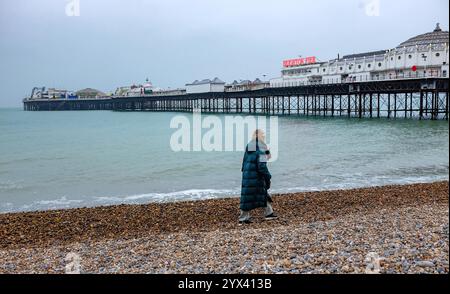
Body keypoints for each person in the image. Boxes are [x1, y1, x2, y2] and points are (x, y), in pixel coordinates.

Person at [239, 129, 277, 224]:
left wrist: (245, 172)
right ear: (261, 136)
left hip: (247, 175)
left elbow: (244, 161)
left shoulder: (250, 145)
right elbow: (262, 165)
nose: (264, 136)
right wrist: (268, 175)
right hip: (257, 175)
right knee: (261, 193)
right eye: (263, 135)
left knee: (248, 196)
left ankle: (268, 213)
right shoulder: (262, 147)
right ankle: (243, 219)